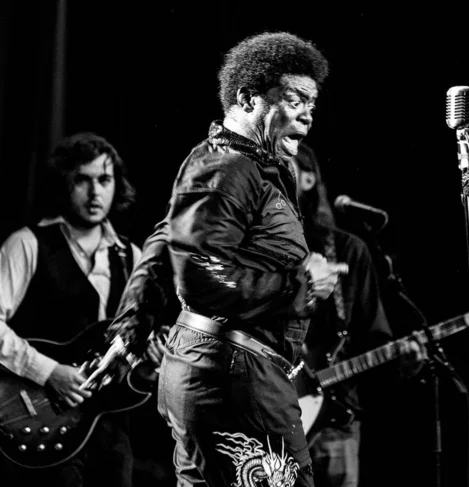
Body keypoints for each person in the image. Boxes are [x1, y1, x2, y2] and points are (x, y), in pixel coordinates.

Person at [111, 31, 346, 487]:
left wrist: (130, 328)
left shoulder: (237, 165)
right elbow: (197, 274)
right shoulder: (229, 167)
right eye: (295, 98)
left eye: (312, 103)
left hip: (221, 372)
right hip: (234, 376)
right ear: (246, 98)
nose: (307, 114)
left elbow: (163, 245)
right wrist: (302, 285)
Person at [0, 132, 142, 487]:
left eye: (104, 180)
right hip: (39, 420)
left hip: (107, 427)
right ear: (63, 184)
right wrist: (49, 371)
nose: (95, 193)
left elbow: (131, 352)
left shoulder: (131, 257)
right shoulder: (27, 244)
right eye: (82, 180)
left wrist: (150, 362)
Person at [291, 143, 427, 487]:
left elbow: (375, 336)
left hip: (336, 421)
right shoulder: (261, 245)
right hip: (271, 416)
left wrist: (404, 362)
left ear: (308, 179)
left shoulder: (350, 250)